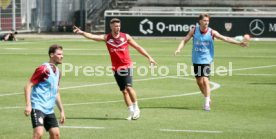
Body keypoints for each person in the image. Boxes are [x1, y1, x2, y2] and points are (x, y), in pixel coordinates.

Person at [73, 18, 157, 120]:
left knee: (129, 87)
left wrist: (149, 57)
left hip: (126, 66)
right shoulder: (107, 37)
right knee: (124, 91)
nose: (118, 28)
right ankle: (131, 111)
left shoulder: (126, 37)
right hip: (116, 68)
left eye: (119, 26)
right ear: (111, 26)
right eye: (116, 26)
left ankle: (136, 108)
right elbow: (93, 36)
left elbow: (138, 47)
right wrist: (82, 32)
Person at [175, 13, 248, 111]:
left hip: (206, 59)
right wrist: (179, 49)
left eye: (207, 21)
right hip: (196, 59)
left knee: (205, 80)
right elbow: (185, 40)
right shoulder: (194, 30)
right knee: (199, 82)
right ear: (200, 21)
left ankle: (206, 104)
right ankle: (207, 98)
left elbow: (225, 38)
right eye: (204, 20)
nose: (206, 22)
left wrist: (238, 43)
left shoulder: (212, 32)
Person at [24, 44, 65, 139]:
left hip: (49, 109)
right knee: (38, 133)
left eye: (62, 54)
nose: (62, 56)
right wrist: (28, 105)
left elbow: (56, 92)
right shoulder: (43, 69)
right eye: (59, 54)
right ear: (51, 55)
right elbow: (28, 86)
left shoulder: (58, 72)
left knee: (56, 135)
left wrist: (62, 111)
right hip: (38, 107)